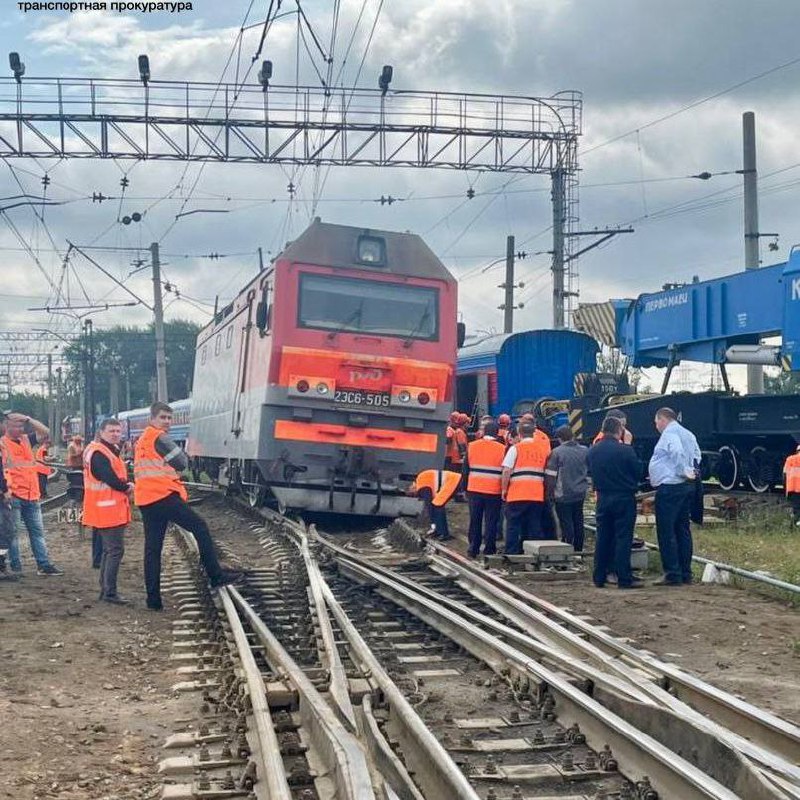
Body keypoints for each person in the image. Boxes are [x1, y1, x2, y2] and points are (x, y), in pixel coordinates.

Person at [134, 402, 233, 610]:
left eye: (169, 418)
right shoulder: (159, 437)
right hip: (163, 496)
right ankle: (216, 575)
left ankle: (153, 600)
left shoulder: (142, 439)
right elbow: (182, 463)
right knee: (200, 527)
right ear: (152, 419)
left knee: (152, 549)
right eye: (163, 417)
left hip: (146, 500)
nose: (167, 422)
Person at [0, 412, 63, 576]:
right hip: (13, 495)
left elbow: (46, 432)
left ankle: (43, 564)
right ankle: (16, 566)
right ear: (6, 426)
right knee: (12, 534)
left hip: (31, 494)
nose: (20, 429)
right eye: (16, 426)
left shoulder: (26, 440)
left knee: (37, 532)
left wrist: (28, 419)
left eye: (21, 426)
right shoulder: (2, 444)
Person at [587, 416, 642, 589]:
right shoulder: (625, 450)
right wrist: (627, 445)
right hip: (624, 498)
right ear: (619, 431)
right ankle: (624, 578)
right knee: (623, 538)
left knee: (603, 537)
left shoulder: (593, 451)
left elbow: (590, 471)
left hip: (602, 497)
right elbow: (638, 471)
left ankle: (599, 577)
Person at [649, 407, 701, 586]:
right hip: (686, 488)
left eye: (656, 422)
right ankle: (685, 572)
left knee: (666, 530)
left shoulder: (670, 434)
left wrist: (682, 471)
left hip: (671, 487)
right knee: (682, 529)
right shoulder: (689, 434)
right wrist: (692, 471)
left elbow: (677, 452)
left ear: (663, 419)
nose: (656, 426)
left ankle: (672, 573)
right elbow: (697, 455)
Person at [83, 418, 133, 604]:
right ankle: (110, 593)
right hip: (108, 509)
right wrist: (126, 487)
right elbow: (109, 477)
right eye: (111, 431)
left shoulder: (100, 450)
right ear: (101, 432)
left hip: (104, 508)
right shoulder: (100, 453)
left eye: (118, 431)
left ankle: (106, 590)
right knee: (115, 550)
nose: (115, 434)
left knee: (108, 550)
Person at [501, 419, 551, 554]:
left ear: (519, 433)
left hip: (517, 494)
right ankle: (532, 553)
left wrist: (504, 489)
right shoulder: (542, 450)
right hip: (536, 494)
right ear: (534, 433)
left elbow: (507, 470)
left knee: (513, 525)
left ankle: (512, 553)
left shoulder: (515, 448)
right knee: (534, 525)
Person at [464, 420, 505, 557]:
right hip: (494, 491)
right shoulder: (502, 449)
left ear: (483, 432)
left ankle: (473, 548)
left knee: (475, 520)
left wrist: (464, 489)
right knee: (491, 521)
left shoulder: (472, 446)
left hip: (474, 489)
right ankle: (489, 549)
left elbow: (465, 470)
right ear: (497, 433)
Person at [545, 425, 589, 551]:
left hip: (563, 494)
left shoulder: (557, 453)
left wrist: (549, 494)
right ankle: (579, 550)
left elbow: (551, 476)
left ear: (559, 439)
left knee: (566, 523)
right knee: (578, 521)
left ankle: (567, 549)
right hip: (580, 493)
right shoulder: (584, 450)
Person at [408, 468, 460, 541]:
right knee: (437, 505)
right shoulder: (421, 480)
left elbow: (429, 504)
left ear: (413, 487)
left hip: (453, 481)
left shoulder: (422, 486)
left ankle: (444, 534)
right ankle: (439, 531)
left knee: (438, 505)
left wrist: (432, 523)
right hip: (454, 479)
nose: (418, 495)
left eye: (414, 494)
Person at [65, 435, 85, 504]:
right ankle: (76, 496)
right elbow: (72, 455)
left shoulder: (80, 445)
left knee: (80, 479)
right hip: (73, 464)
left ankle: (80, 495)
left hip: (80, 464)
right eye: (78, 440)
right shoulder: (72, 446)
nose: (80, 442)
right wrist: (80, 454)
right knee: (76, 479)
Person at [784, 446, 800, 526]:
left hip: (792, 488)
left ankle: (794, 525)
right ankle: (793, 525)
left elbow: (784, 473)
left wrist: (786, 489)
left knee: (796, 508)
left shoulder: (789, 459)